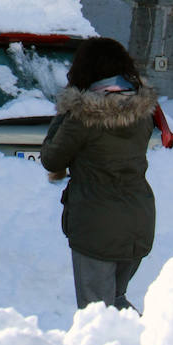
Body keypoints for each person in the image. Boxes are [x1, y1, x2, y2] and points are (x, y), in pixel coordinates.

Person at [40, 37, 158, 312]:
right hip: (138, 222)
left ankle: (135, 340)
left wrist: (66, 110)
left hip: (97, 227)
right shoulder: (141, 112)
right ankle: (144, 337)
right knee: (116, 300)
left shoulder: (83, 118)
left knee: (96, 313)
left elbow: (51, 158)